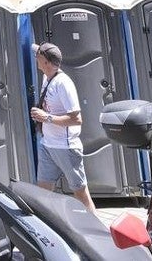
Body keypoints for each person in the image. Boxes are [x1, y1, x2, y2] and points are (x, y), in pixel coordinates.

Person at [29, 42, 96, 215]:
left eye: (39, 57)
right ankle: (42, 231)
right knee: (43, 192)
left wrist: (47, 118)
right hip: (48, 145)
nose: (36, 58)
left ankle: (98, 232)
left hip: (66, 147)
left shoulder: (63, 84)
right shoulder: (47, 76)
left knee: (80, 193)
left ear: (48, 63)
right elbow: (36, 48)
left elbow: (76, 119)